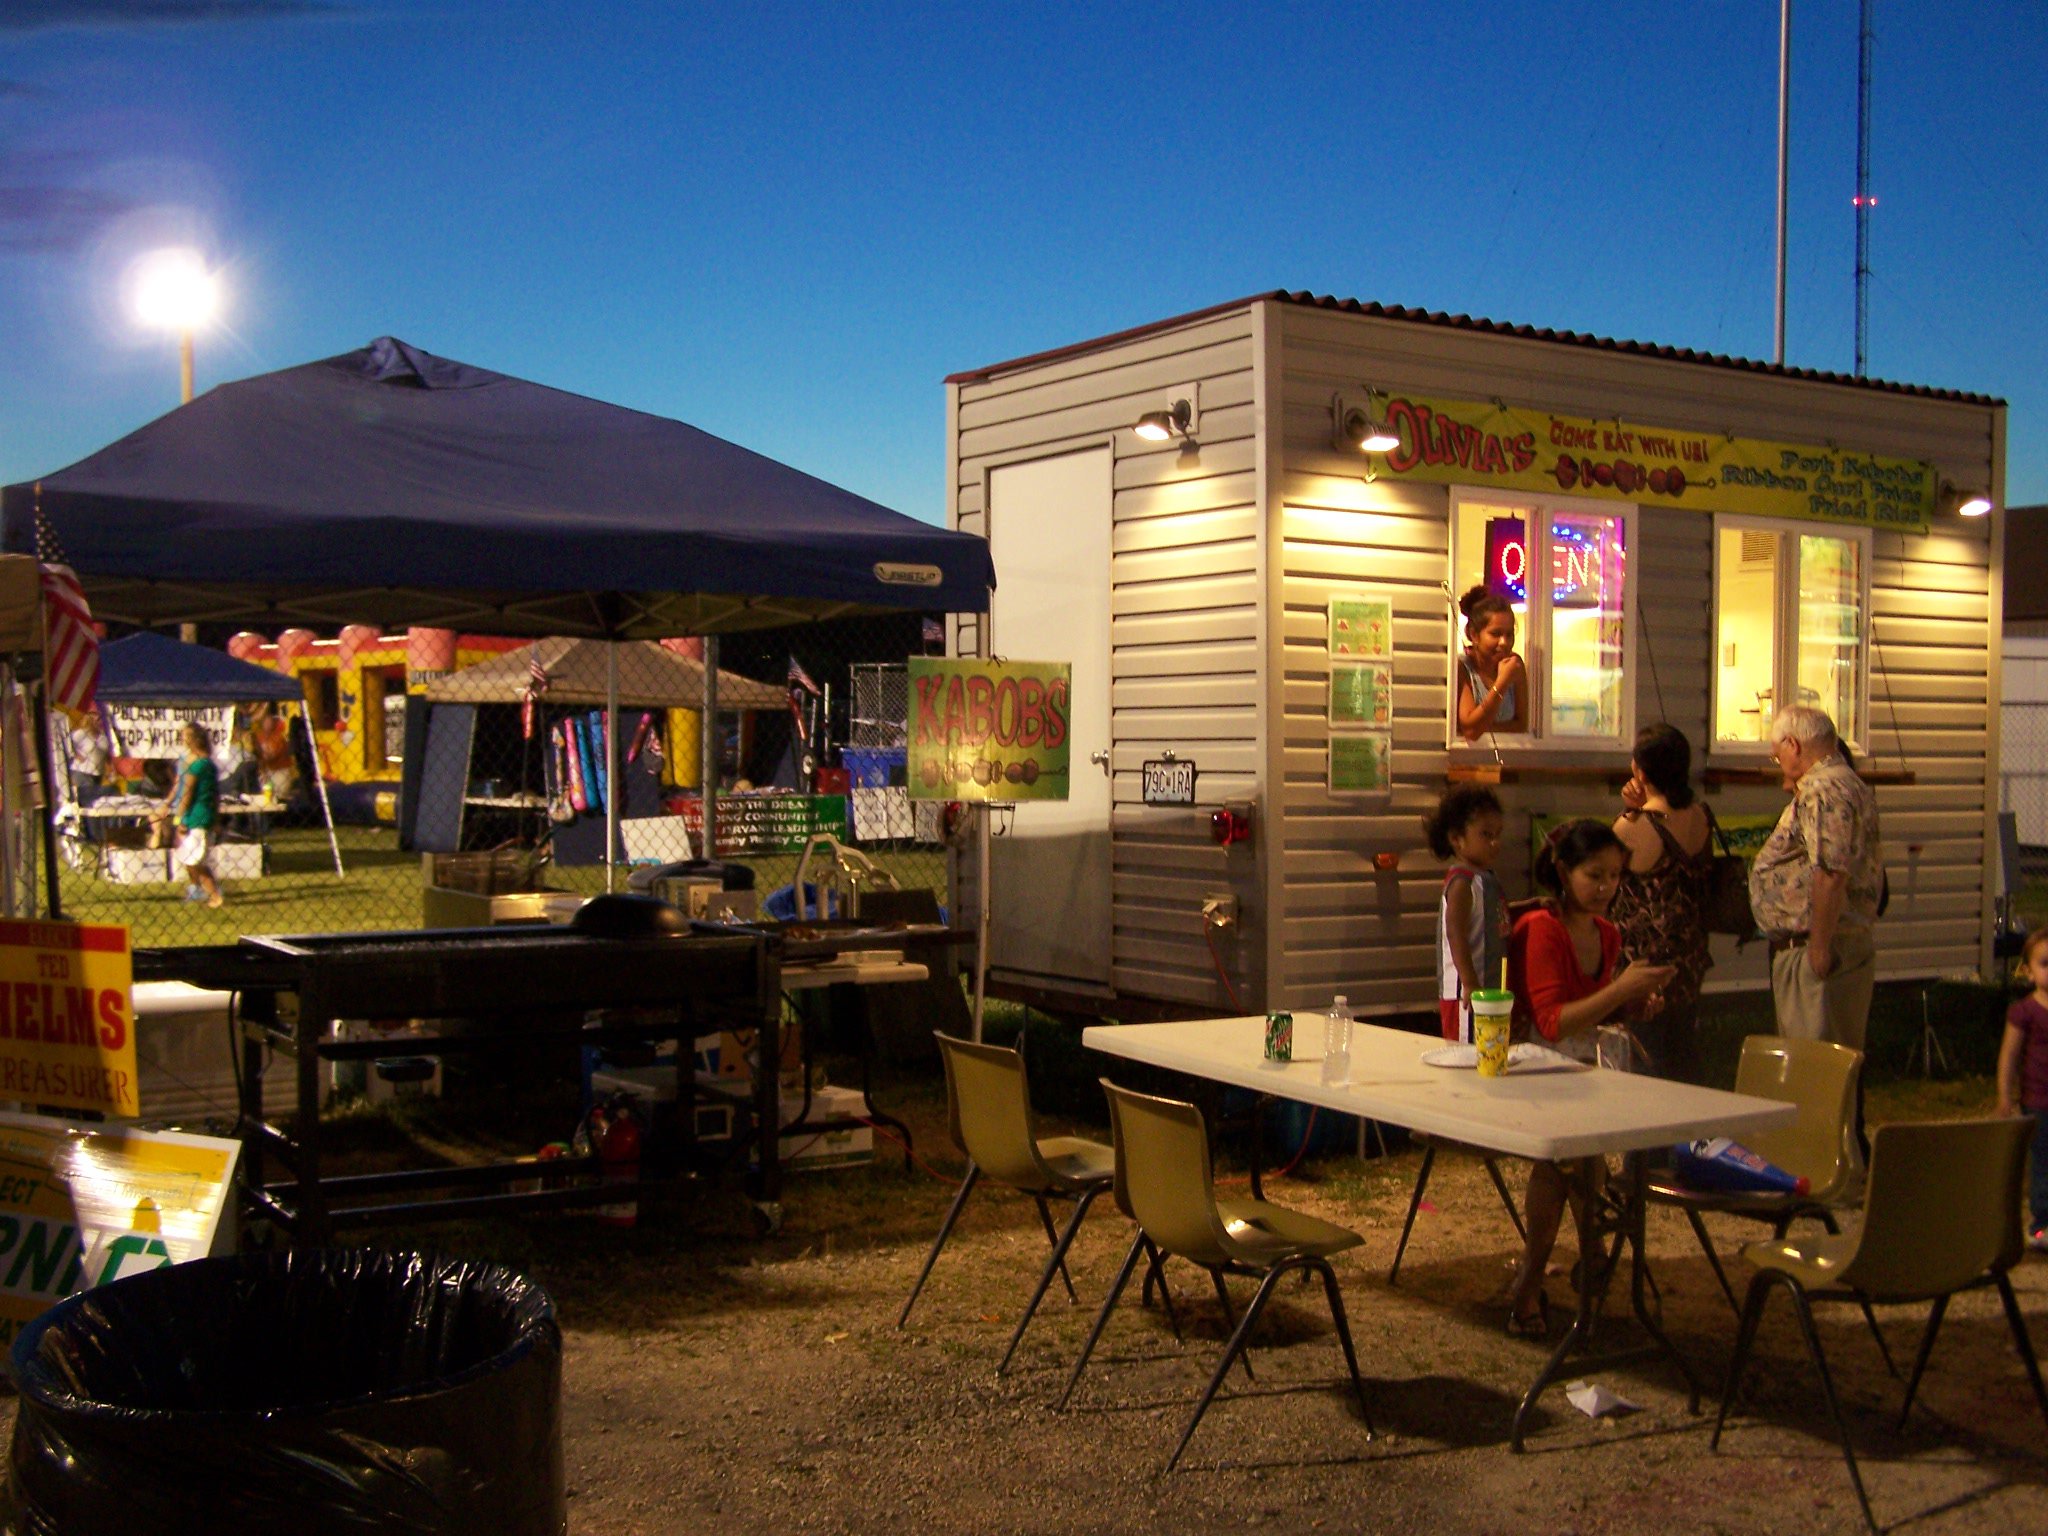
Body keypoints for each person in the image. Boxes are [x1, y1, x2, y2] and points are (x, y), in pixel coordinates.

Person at [1502, 819, 1675, 1336]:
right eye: (1593, 875)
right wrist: (1620, 991)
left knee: (1581, 1152)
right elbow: (1552, 1022)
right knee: (1565, 1158)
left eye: (1614, 876)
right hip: (1533, 1067)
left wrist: (1635, 1003)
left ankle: (1570, 1264)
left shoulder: (1607, 933)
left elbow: (1592, 1012)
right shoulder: (1541, 929)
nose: (1604, 888)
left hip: (1584, 1069)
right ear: (1563, 872)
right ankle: (1543, 1276)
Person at [1747, 706, 1884, 1051]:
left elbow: (1830, 871)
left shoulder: (1824, 789)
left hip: (1818, 948)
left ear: (1792, 745)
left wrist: (1819, 948)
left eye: (1777, 756)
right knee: (1824, 1061)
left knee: (1812, 1062)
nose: (1778, 764)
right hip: (1832, 942)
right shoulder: (1844, 782)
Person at [1609, 723, 1713, 1083]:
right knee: (1683, 1052)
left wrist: (1629, 811)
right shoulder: (1700, 815)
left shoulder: (1633, 827)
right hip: (1688, 957)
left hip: (1644, 963)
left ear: (1640, 772)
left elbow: (1607, 880)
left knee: (1645, 1059)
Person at [1425, 784, 1508, 1042]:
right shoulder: (1462, 882)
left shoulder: (1485, 878)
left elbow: (1488, 916)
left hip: (1487, 988)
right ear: (1456, 839)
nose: (1495, 843)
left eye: (1498, 834)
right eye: (1486, 834)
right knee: (1467, 1050)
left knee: (1488, 1049)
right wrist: (1470, 982)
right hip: (1466, 992)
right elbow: (1455, 932)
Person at [1996, 926, 2048, 1251]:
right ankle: (2041, 1225)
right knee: (2043, 1161)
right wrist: (2005, 1097)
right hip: (2039, 1101)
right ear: (2028, 971)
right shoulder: (2025, 1011)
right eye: (2045, 963)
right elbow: (2009, 1056)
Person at [158, 722, 224, 909]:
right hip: (199, 813)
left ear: (194, 740)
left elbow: (187, 793)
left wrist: (179, 819)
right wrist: (167, 803)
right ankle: (197, 889)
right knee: (187, 856)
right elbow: (179, 786)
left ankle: (215, 895)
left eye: (185, 736)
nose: (182, 739)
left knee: (196, 861)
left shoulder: (198, 765)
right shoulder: (200, 762)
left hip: (195, 815)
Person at [1453, 585, 1528, 743]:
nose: (1504, 642)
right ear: (1474, 635)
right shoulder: (1463, 668)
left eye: (1509, 634)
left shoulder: (1515, 665)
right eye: (1495, 634)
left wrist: (1483, 726)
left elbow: (1521, 725)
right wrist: (1502, 682)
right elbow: (1471, 731)